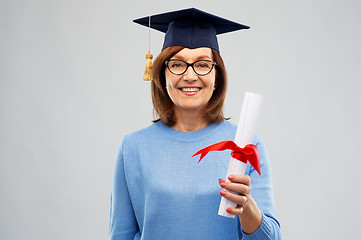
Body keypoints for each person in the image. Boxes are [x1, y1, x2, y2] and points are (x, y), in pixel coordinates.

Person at [109, 8, 281, 240]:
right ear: (162, 74)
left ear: (216, 75)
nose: (190, 76)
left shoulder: (246, 145)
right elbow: (120, 235)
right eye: (178, 64)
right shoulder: (132, 148)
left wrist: (246, 205)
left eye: (202, 64)